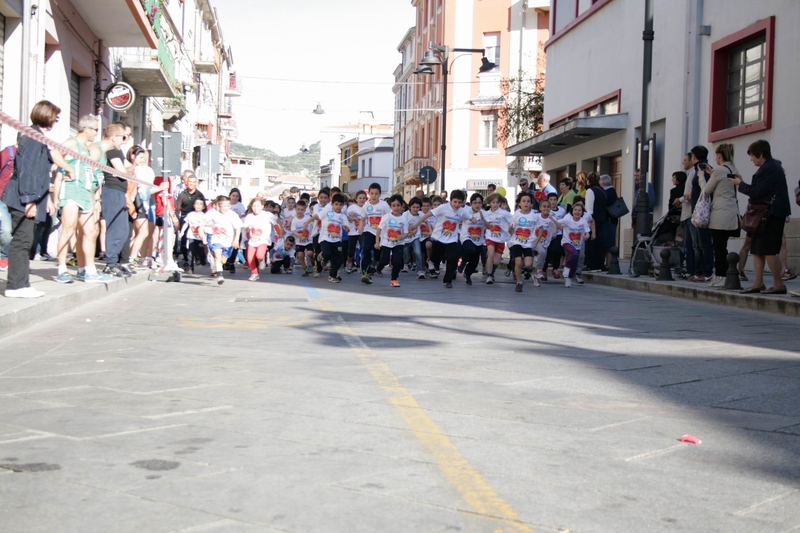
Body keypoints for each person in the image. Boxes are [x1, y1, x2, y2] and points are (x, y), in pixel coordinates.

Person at [1, 101, 60, 298]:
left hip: (29, 197)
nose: (56, 121)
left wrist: (47, 199)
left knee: (25, 241)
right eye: (55, 117)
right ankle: (16, 286)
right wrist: (29, 201)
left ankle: (21, 284)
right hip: (22, 199)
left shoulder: (37, 137)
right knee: (22, 241)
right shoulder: (34, 138)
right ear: (47, 116)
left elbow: (40, 173)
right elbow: (27, 172)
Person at [52, 115, 108, 284]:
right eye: (95, 130)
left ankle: (88, 270)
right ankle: (61, 269)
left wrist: (95, 198)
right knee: (68, 230)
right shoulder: (72, 143)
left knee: (91, 232)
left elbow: (90, 174)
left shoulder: (88, 148)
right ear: (87, 129)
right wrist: (68, 168)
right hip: (71, 192)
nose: (96, 134)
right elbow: (55, 152)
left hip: (86, 193)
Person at [729, 140, 790, 295]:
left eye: (753, 156)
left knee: (768, 249)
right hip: (765, 214)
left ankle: (778, 284)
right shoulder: (769, 167)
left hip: (771, 214)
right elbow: (760, 190)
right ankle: (758, 283)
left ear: (761, 154)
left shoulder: (770, 168)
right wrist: (741, 182)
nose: (751, 159)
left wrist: (740, 184)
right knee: (757, 249)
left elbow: (757, 192)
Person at [410, 189, 471, 288]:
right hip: (438, 237)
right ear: (451, 200)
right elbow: (428, 215)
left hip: (452, 239)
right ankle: (432, 262)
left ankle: (448, 280)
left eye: (460, 202)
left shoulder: (462, 211)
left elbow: (470, 217)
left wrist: (474, 219)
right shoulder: (443, 208)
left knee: (452, 258)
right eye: (455, 202)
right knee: (436, 256)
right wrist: (416, 224)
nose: (457, 204)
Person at [98, 124, 134, 278]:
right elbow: (122, 171)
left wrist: (124, 171)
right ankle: (110, 264)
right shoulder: (112, 151)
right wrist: (123, 172)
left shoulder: (118, 151)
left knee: (124, 229)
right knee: (115, 228)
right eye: (122, 137)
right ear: (114, 137)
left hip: (120, 192)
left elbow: (129, 169)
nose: (124, 140)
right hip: (112, 191)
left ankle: (115, 262)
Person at [703, 143, 740, 287]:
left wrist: (702, 176)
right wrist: (712, 172)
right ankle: (726, 273)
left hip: (720, 213)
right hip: (732, 212)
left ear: (719, 155)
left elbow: (706, 190)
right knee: (722, 245)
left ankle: (721, 275)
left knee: (718, 246)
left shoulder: (718, 170)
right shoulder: (733, 168)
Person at [307, 192, 349, 283]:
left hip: (337, 240)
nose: (338, 206)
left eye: (340, 205)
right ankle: (322, 256)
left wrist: (346, 228)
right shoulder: (327, 211)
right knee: (327, 253)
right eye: (336, 204)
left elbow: (346, 225)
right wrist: (306, 223)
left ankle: (332, 275)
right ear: (332, 204)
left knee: (339, 259)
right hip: (325, 238)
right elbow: (317, 216)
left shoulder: (343, 216)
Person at [687, 147, 715, 282]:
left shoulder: (702, 169)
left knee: (703, 243)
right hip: (700, 211)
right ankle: (701, 271)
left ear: (694, 157)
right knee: (700, 243)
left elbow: (706, 189)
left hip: (702, 212)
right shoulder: (704, 167)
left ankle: (705, 271)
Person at [203, 195, 243, 285]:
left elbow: (238, 227)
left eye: (228, 206)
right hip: (216, 239)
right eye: (223, 206)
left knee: (223, 260)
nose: (226, 208)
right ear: (218, 205)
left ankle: (218, 267)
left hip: (228, 241)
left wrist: (236, 239)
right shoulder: (213, 213)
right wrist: (206, 225)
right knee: (217, 255)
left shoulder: (232, 214)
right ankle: (220, 275)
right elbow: (204, 222)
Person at [550, 203, 591, 288]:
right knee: (574, 253)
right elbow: (558, 224)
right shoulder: (567, 219)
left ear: (582, 212)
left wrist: (586, 236)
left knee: (575, 263)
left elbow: (587, 233)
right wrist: (553, 221)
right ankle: (566, 268)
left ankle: (568, 277)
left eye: (579, 210)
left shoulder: (583, 221)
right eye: (575, 210)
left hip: (577, 244)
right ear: (572, 211)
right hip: (566, 242)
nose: (577, 212)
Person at [375, 194, 410, 287]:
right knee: (384, 260)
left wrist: (402, 236)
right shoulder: (386, 217)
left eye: (398, 205)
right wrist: (377, 242)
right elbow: (379, 229)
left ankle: (394, 279)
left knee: (397, 262)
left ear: (402, 206)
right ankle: (379, 267)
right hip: (386, 243)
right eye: (393, 205)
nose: (396, 208)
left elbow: (406, 232)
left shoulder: (404, 218)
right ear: (390, 206)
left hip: (399, 243)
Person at [358, 183, 391, 284]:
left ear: (380, 194)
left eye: (376, 194)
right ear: (369, 194)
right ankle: (365, 272)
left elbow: (389, 218)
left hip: (382, 233)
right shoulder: (366, 206)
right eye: (372, 193)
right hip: (370, 231)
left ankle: (376, 263)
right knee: (366, 250)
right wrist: (360, 228)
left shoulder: (384, 205)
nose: (374, 196)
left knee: (379, 252)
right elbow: (363, 219)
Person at [507, 191, 537, 293]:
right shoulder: (516, 215)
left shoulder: (534, 215)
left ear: (531, 204)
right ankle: (519, 282)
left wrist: (536, 239)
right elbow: (511, 227)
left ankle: (524, 268)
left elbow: (540, 228)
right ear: (519, 203)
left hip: (528, 242)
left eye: (528, 201)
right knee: (518, 262)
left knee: (528, 265)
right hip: (517, 242)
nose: (526, 203)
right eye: (524, 201)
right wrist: (510, 229)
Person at [243, 197, 277, 281]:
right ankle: (254, 273)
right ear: (251, 207)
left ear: (262, 206)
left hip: (263, 239)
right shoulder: (249, 216)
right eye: (254, 206)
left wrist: (280, 232)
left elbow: (277, 221)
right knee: (250, 258)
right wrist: (248, 227)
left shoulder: (267, 215)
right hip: (253, 240)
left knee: (259, 255)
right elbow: (246, 228)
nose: (256, 208)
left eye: (258, 206)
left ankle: (261, 260)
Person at [481, 192, 512, 284]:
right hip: (490, 237)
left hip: (501, 238)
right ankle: (489, 275)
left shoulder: (504, 213)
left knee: (497, 261)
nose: (495, 204)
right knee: (490, 254)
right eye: (493, 202)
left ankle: (492, 271)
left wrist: (511, 229)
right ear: (489, 203)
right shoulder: (486, 213)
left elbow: (513, 221)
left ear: (500, 203)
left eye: (497, 202)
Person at [458, 193, 486, 286]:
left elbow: (489, 226)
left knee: (475, 261)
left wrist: (483, 219)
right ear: (471, 203)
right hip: (466, 237)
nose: (477, 205)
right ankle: (464, 260)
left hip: (478, 240)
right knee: (471, 250)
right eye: (475, 202)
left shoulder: (484, 213)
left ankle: (467, 274)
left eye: (479, 203)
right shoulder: (466, 211)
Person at [584, 172, 608, 272]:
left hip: (593, 220)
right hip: (602, 219)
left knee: (591, 243)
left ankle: (592, 264)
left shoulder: (590, 190)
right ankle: (599, 263)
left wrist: (588, 221)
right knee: (599, 243)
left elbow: (589, 208)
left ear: (588, 180)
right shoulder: (602, 190)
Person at [0, 143, 18, 272]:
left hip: (18, 200)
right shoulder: (8, 153)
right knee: (6, 230)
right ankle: (4, 256)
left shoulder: (29, 156)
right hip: (2, 199)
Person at [531, 198, 556, 287]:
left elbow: (557, 226)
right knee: (542, 252)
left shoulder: (551, 217)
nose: (546, 208)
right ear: (540, 208)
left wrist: (554, 232)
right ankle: (539, 269)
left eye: (548, 207)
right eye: (544, 206)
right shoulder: (536, 216)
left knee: (542, 257)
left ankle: (536, 277)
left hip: (546, 241)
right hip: (535, 239)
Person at [180, 198, 206, 274]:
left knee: (201, 251)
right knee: (190, 252)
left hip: (200, 237)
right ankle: (191, 268)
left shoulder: (204, 216)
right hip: (191, 236)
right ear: (194, 205)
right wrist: (182, 232)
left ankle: (203, 259)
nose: (198, 206)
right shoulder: (190, 215)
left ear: (203, 207)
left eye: (200, 204)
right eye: (196, 204)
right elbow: (186, 223)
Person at [403, 196, 425, 280]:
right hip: (406, 237)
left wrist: (429, 230)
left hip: (416, 237)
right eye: (413, 207)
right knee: (406, 253)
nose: (415, 209)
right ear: (409, 207)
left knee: (418, 252)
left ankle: (419, 270)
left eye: (417, 207)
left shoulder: (421, 215)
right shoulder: (405, 215)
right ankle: (406, 263)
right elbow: (403, 224)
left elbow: (426, 221)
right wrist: (409, 231)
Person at [600, 174, 619, 270]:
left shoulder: (609, 192)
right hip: (610, 220)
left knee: (608, 243)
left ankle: (609, 264)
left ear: (603, 183)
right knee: (607, 243)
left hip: (609, 220)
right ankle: (607, 263)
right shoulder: (610, 191)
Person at [290, 199, 313, 276]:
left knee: (310, 253)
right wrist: (298, 235)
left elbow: (313, 224)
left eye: (302, 209)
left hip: (308, 240)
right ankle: (304, 268)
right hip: (299, 241)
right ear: (295, 209)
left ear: (305, 210)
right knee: (300, 255)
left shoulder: (308, 217)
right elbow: (293, 230)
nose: (300, 211)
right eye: (298, 209)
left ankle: (310, 262)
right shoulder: (294, 220)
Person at [345, 190, 366, 273]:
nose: (362, 200)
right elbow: (346, 217)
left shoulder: (367, 207)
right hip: (353, 232)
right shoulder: (352, 207)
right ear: (356, 199)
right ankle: (349, 262)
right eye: (360, 198)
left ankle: (363, 266)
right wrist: (351, 217)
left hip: (363, 231)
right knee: (351, 250)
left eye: (364, 198)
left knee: (363, 248)